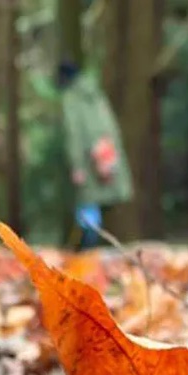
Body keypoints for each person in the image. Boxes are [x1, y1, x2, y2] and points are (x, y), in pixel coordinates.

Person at [57, 60, 133, 249]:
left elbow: (73, 134)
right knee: (99, 208)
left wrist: (77, 166)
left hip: (88, 162)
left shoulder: (71, 99)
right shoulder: (96, 95)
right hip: (107, 157)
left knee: (87, 209)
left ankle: (87, 253)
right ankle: (96, 250)